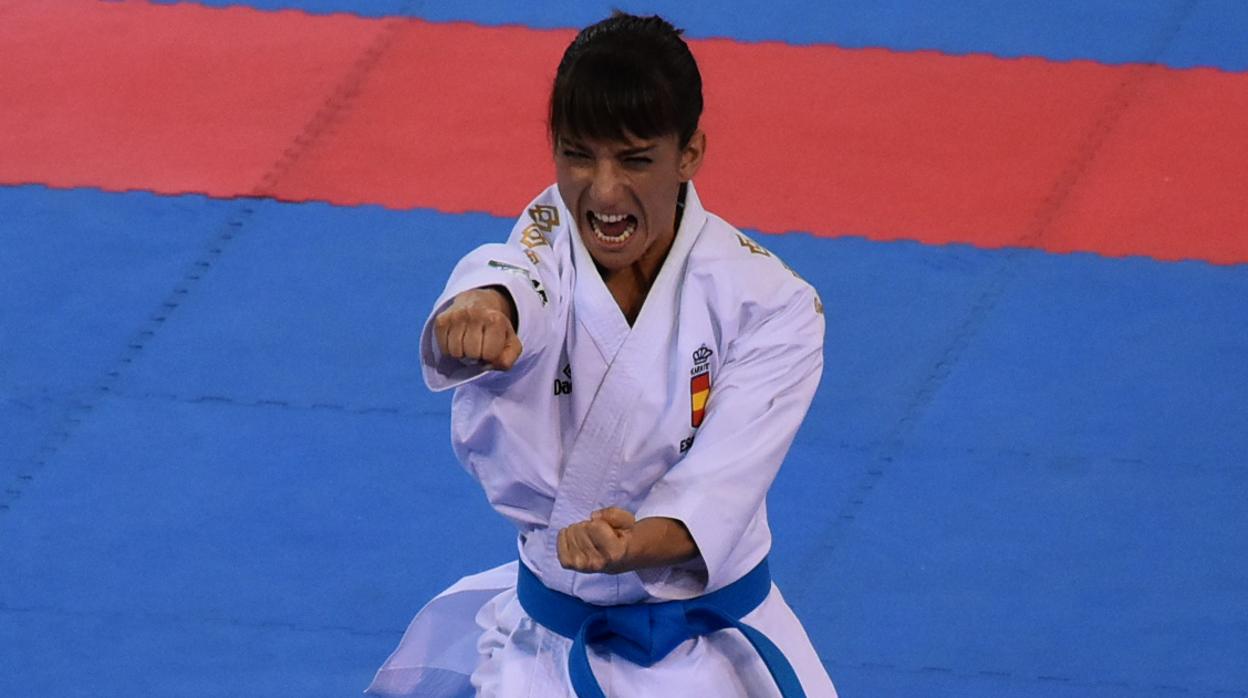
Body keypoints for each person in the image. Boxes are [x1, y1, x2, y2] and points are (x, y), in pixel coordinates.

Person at [367, 12, 837, 698]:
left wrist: (634, 546)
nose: (604, 190)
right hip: (552, 646)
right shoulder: (548, 237)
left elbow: (725, 483)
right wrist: (479, 312)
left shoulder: (769, 302)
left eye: (636, 158)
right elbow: (515, 276)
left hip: (716, 652)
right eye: (578, 154)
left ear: (690, 153)